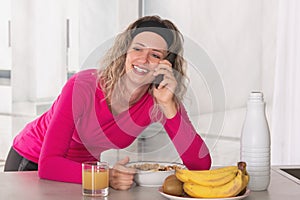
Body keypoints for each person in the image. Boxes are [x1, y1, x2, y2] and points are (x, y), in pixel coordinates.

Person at [4, 15, 211, 190]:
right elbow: (48, 165)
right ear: (125, 52)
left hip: (84, 171)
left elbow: (200, 165)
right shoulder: (82, 86)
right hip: (31, 161)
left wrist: (169, 106)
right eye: (137, 49)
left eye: (155, 55)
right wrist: (107, 175)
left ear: (167, 65)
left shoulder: (159, 99)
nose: (143, 59)